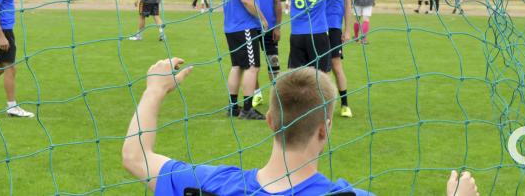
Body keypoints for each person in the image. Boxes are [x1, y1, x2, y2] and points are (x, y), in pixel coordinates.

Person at [122, 59, 374, 195]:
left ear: (270, 121)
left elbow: (136, 157)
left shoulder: (210, 185)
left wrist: (155, 89)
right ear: (325, 129)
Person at [220, 0, 270, 119]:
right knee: (252, 67)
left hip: (231, 28)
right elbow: (247, 0)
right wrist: (263, 19)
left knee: (237, 67)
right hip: (244, 27)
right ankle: (247, 109)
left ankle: (233, 107)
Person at [317, 0, 353, 118]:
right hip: (317, 27)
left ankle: (345, 105)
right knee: (320, 69)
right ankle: (322, 105)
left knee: (336, 66)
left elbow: (347, 4)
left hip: (333, 27)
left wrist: (347, 30)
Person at [248, 0, 282, 108]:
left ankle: (276, 96)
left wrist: (278, 27)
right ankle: (257, 94)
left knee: (273, 62)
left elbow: (277, 3)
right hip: (251, 27)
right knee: (252, 64)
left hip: (270, 28)